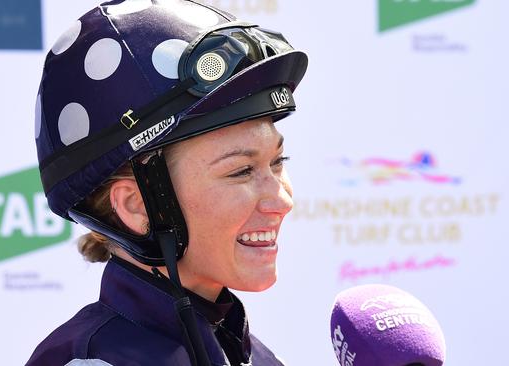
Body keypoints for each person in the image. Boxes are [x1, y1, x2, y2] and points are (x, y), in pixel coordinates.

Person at [27, 0, 307, 365]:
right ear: (135, 205)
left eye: (277, 162)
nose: (281, 200)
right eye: (241, 171)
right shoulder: (96, 359)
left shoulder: (258, 356)